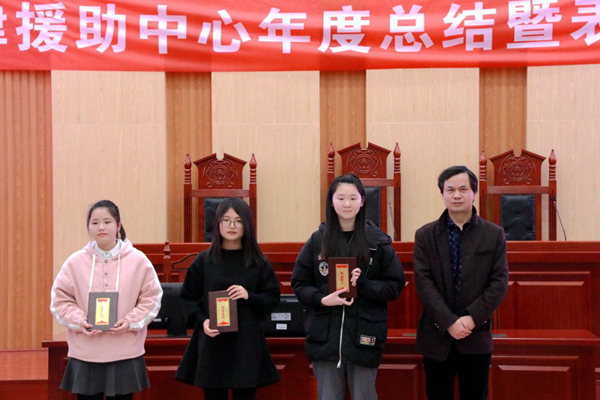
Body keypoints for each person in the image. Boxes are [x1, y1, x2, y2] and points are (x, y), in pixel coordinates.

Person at [291, 173, 405, 400]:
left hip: (364, 335)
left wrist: (364, 285)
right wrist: (322, 299)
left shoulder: (377, 242)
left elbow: (395, 285)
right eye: (341, 198)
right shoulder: (318, 240)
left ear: (362, 201)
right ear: (331, 201)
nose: (347, 204)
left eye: (353, 198)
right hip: (325, 337)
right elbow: (299, 283)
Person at [50, 200, 163, 400]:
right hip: (86, 352)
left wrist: (129, 321)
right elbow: (60, 300)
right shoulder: (75, 262)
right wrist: (79, 321)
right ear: (88, 227)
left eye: (107, 222)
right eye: (94, 223)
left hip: (124, 351)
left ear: (118, 225)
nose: (101, 227)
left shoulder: (138, 260)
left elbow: (151, 298)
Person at [413, 166, 509, 400]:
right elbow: (423, 283)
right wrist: (449, 322)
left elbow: (499, 282)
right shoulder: (425, 235)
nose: (457, 195)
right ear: (442, 194)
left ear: (474, 193)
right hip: (436, 335)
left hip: (475, 334)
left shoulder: (493, 234)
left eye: (463, 189)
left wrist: (471, 318)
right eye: (450, 190)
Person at [175, 198, 280, 400]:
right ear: (217, 223)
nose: (232, 226)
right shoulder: (204, 260)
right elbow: (188, 298)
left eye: (238, 221)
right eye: (226, 220)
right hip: (213, 342)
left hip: (245, 344)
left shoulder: (258, 261)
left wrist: (248, 295)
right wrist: (203, 321)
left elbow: (272, 298)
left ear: (247, 225)